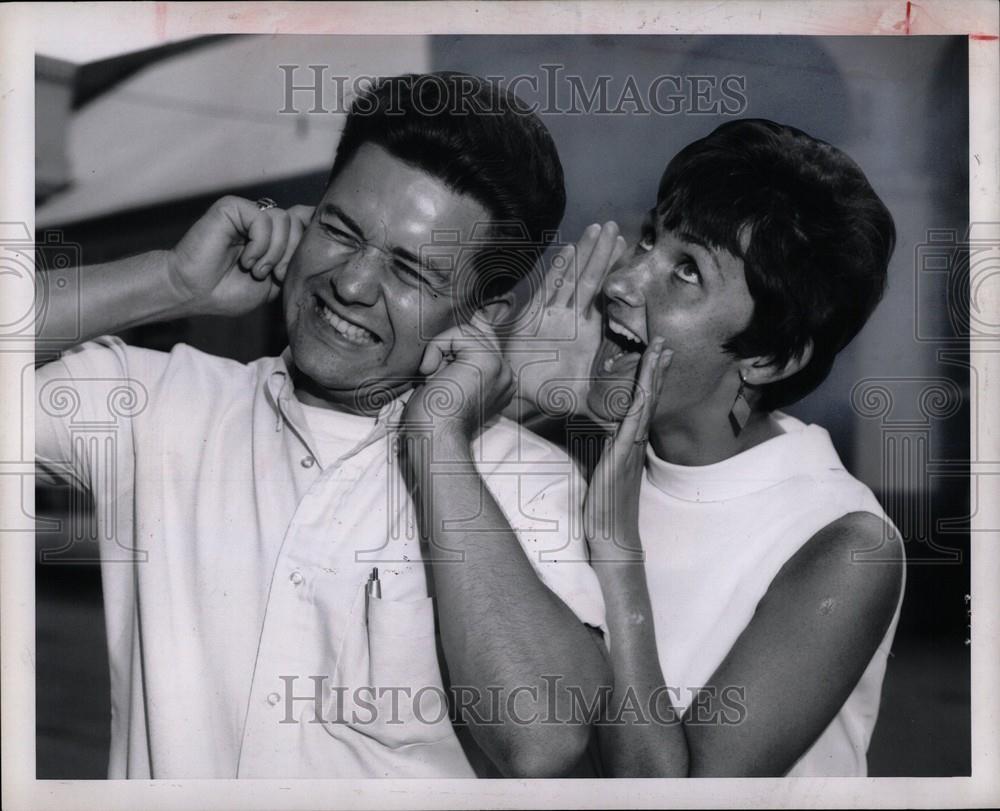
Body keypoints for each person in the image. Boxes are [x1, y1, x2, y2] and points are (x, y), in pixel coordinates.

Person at [34, 72, 611, 779]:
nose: (353, 284)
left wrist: (436, 441)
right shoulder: (158, 401)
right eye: (340, 231)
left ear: (481, 314)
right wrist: (171, 281)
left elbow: (546, 739)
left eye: (411, 271)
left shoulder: (531, 482)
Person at [503, 118, 905, 776]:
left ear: (771, 357)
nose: (622, 284)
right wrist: (512, 398)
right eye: (649, 242)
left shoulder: (844, 544)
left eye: (686, 270)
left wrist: (618, 552)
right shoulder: (571, 440)